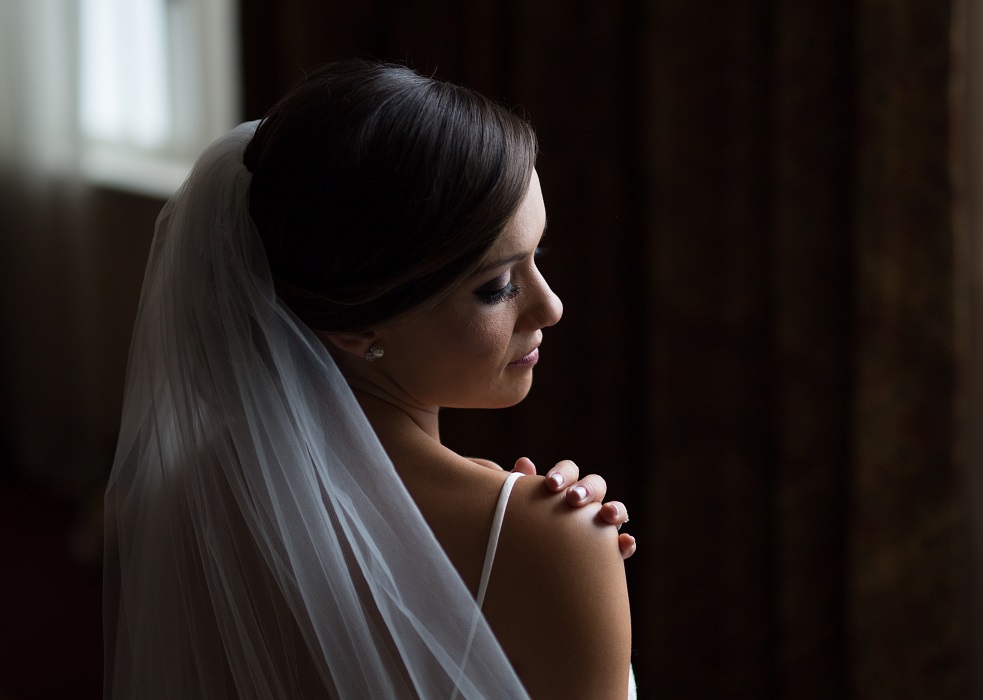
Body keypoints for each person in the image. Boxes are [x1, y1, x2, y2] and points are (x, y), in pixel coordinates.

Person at [104, 60, 634, 698]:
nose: (550, 307)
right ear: (361, 327)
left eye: (536, 257)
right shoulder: (553, 542)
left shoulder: (187, 496)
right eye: (496, 286)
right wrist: (551, 546)